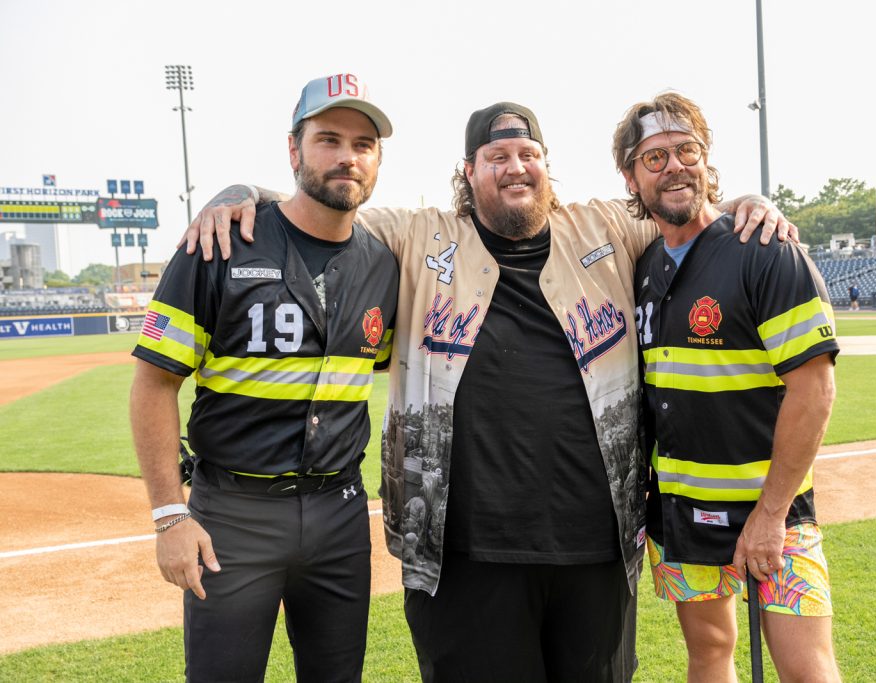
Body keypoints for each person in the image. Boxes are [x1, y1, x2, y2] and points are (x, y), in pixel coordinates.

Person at [184, 101, 795, 682]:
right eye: (496, 156)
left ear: (547, 166)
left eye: (527, 152)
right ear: (468, 172)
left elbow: (681, 205)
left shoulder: (604, 225)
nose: (515, 166)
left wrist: (752, 200)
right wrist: (241, 193)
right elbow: (325, 204)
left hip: (595, 545)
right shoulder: (418, 234)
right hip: (461, 551)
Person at [129, 72, 399, 681]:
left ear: (378, 160)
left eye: (363, 144)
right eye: (328, 139)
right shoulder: (222, 242)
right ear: (294, 149)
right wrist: (170, 517)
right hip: (233, 517)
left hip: (340, 513)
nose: (346, 157)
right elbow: (153, 383)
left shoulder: (383, 263)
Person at [612, 93, 841, 681]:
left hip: (774, 515)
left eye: (686, 150)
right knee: (709, 653)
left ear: (706, 159)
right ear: (632, 177)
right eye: (654, 156)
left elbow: (814, 391)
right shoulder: (643, 268)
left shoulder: (765, 250)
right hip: (684, 512)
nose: (674, 166)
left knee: (805, 668)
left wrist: (770, 514)